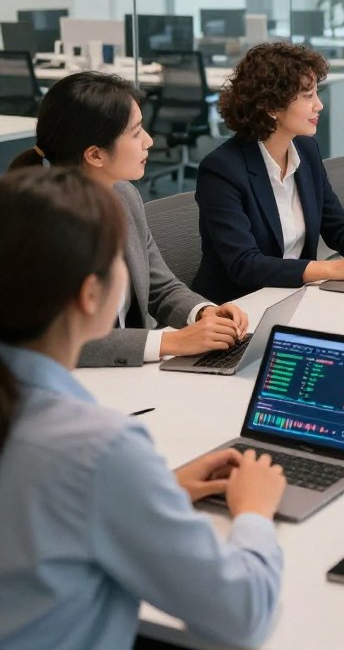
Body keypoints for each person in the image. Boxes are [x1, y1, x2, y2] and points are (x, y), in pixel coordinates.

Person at [0, 167, 285, 650]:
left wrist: (157, 489)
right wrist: (254, 512)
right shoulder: (96, 447)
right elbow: (242, 612)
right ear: (91, 295)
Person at [9, 72, 247, 368]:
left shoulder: (123, 195)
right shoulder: (40, 225)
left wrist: (202, 314)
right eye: (136, 133)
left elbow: (161, 287)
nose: (149, 141)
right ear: (95, 155)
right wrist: (170, 342)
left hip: (129, 375)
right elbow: (56, 338)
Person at [194, 42, 344, 303]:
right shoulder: (222, 170)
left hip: (294, 297)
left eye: (317, 93)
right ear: (271, 107)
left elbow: (336, 225)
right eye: (307, 96)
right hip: (237, 309)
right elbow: (245, 264)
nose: (319, 106)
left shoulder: (305, 150)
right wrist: (332, 268)